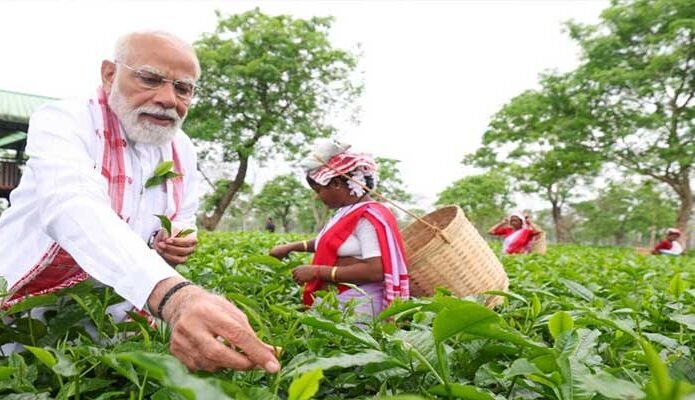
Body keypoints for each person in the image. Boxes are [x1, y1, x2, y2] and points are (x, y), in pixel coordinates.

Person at [0, 31, 279, 373]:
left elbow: (184, 213)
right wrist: (174, 296)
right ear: (109, 74)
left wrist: (181, 236)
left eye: (183, 88)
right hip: (30, 309)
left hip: (118, 311)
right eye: (150, 79)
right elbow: (72, 204)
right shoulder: (65, 119)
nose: (167, 99)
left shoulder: (182, 148)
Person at [269, 140, 409, 317]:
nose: (318, 197)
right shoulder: (347, 211)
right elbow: (332, 242)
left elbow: (376, 270)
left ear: (336, 183)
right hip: (340, 301)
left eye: (319, 190)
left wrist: (317, 271)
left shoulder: (367, 216)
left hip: (360, 306)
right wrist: (291, 247)